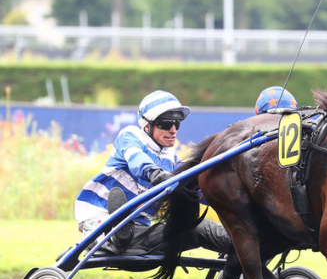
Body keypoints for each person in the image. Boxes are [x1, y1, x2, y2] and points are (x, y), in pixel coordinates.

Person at [74, 90, 231, 255]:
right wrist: (154, 173)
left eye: (176, 123)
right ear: (147, 125)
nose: (173, 130)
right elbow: (137, 159)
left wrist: (225, 198)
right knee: (113, 230)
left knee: (201, 229)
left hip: (139, 232)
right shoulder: (130, 136)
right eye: (166, 123)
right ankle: (112, 236)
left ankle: (247, 246)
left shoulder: (170, 160)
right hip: (98, 217)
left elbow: (196, 192)